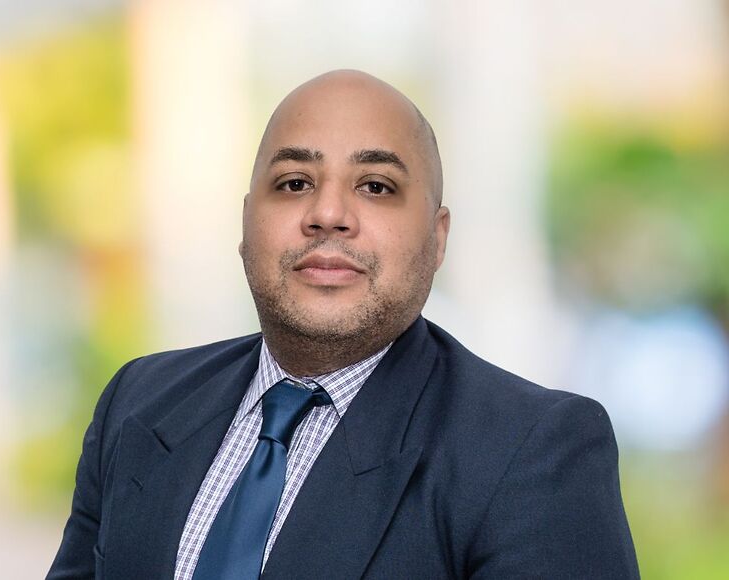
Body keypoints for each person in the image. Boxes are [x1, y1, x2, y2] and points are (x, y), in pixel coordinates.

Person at [48, 70, 639, 579]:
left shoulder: (532, 452)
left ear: (437, 239)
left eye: (376, 186)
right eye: (294, 183)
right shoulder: (140, 401)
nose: (327, 214)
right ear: (247, 221)